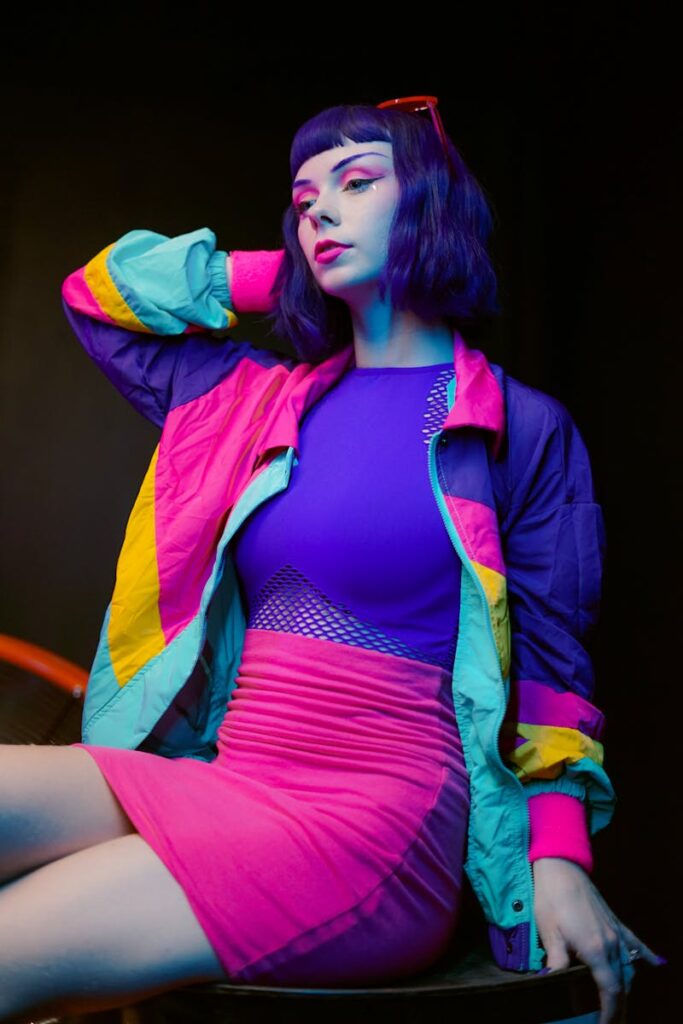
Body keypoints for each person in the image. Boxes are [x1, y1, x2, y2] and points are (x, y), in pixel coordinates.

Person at [0, 99, 662, 1023]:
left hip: (372, 826)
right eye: (304, 198)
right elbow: (99, 295)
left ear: (431, 207)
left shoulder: (519, 426)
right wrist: (298, 279)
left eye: (356, 185)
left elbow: (556, 671)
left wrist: (558, 860)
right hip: (228, 775)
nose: (317, 211)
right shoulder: (252, 401)